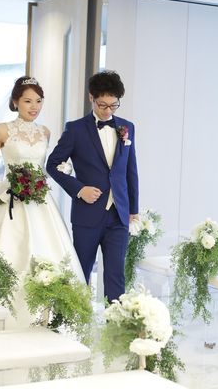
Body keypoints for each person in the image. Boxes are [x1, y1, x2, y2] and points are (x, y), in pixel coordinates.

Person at [0, 76, 86, 326]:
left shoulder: (45, 132)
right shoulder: (2, 130)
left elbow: (43, 167)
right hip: (10, 199)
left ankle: (44, 314)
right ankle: (0, 310)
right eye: (27, 101)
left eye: (38, 101)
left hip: (40, 201)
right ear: (15, 102)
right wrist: (2, 189)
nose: (34, 106)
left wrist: (63, 169)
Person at [47, 70, 139, 303]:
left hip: (118, 215)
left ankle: (115, 323)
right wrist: (79, 189)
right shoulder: (75, 129)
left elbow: (131, 171)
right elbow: (52, 164)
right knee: (80, 274)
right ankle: (74, 322)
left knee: (116, 277)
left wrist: (133, 209)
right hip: (87, 214)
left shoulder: (127, 127)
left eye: (113, 105)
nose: (108, 111)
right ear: (91, 98)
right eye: (102, 105)